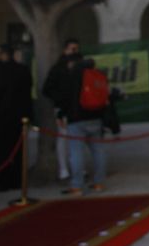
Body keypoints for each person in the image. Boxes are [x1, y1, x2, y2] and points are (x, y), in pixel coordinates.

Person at [57, 57, 107, 194]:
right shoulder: (99, 76)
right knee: (98, 151)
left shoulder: (73, 77)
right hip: (96, 116)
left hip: (77, 118)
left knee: (76, 152)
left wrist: (61, 114)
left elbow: (65, 98)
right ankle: (99, 183)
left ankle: (77, 185)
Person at [0, 45, 34, 191]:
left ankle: (4, 180)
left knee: (3, 151)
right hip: (20, 117)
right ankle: (18, 179)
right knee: (18, 150)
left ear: (3, 55)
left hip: (4, 117)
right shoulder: (23, 70)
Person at [41, 39, 85, 183]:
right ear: (65, 50)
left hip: (79, 108)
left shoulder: (81, 67)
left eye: (76, 49)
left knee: (78, 138)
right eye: (72, 49)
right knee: (64, 138)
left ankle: (78, 168)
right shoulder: (58, 68)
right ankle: (64, 170)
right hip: (63, 108)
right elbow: (47, 89)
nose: (75, 52)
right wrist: (60, 100)